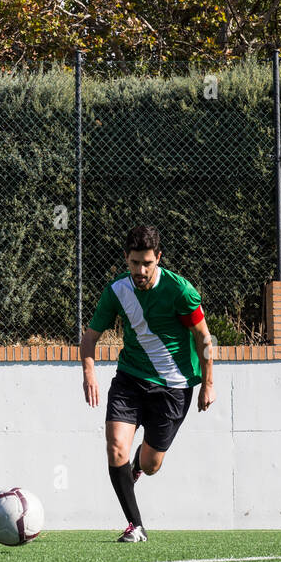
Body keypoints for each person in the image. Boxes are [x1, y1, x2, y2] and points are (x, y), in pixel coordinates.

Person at [80, 225, 215, 541]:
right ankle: (135, 525)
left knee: (152, 464)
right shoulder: (116, 291)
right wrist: (89, 374)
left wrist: (208, 383)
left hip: (174, 386)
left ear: (158, 259)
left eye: (147, 263)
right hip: (130, 379)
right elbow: (89, 340)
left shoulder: (179, 290)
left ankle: (139, 465)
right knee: (115, 448)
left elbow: (203, 338)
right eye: (134, 263)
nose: (140, 270)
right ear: (126, 259)